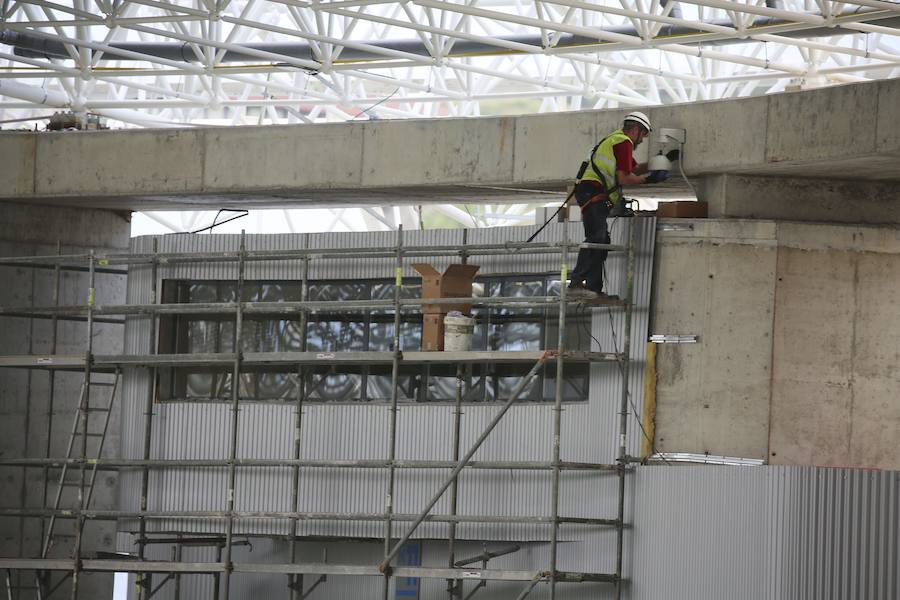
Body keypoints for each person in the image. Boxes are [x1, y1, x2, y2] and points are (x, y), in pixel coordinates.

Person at [568, 111, 678, 299]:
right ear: (635, 129)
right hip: (593, 192)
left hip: (592, 192)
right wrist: (649, 181)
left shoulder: (616, 141)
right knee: (597, 237)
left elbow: (632, 168)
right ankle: (576, 284)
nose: (642, 140)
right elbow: (625, 177)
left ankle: (593, 289)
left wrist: (661, 162)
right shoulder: (624, 142)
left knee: (601, 240)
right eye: (643, 134)